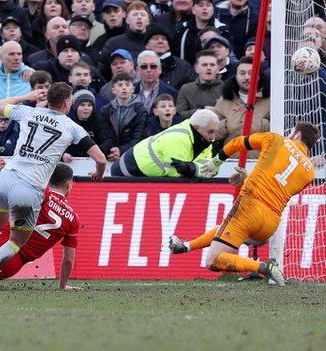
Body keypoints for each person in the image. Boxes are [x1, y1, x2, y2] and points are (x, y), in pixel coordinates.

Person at [0, 82, 107, 285]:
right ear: (67, 102)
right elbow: (101, 159)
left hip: (6, 177)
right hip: (29, 189)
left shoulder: (29, 112)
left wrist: (27, 96)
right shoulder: (73, 127)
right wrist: (98, 173)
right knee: (16, 242)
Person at [169, 122, 321, 286]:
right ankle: (185, 246)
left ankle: (264, 267)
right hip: (269, 226)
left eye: (291, 133)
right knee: (226, 229)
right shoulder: (309, 173)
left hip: (249, 208)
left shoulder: (276, 140)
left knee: (212, 260)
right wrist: (248, 179)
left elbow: (237, 142)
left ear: (297, 135)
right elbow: (277, 187)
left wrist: (216, 161)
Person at [111, 108, 219, 177]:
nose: (213, 137)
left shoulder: (205, 140)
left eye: (214, 132)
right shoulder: (179, 138)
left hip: (142, 172)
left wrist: (192, 168)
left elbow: (209, 169)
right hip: (127, 171)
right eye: (210, 132)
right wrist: (192, 169)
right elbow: (174, 174)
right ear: (196, 128)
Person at [212, 57, 270, 159]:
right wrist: (226, 125)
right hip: (229, 162)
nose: (247, 77)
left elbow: (278, 134)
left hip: (260, 163)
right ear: (236, 76)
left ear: (258, 76)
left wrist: (262, 124)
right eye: (242, 73)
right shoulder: (224, 101)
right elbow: (212, 134)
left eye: (251, 73)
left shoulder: (270, 101)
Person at [100, 71, 147, 162]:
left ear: (132, 88)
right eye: (120, 85)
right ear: (113, 90)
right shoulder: (106, 110)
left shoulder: (140, 109)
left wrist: (121, 151)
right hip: (110, 155)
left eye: (127, 84)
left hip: (133, 156)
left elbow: (138, 136)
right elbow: (106, 136)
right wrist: (112, 151)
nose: (124, 87)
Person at [64, 88, 113, 159]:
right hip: (73, 161)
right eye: (82, 105)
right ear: (75, 107)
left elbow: (109, 139)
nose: (86, 108)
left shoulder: (99, 121)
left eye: (89, 105)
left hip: (95, 160)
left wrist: (99, 151)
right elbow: (61, 141)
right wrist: (64, 154)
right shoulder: (68, 122)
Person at [175, 49, 222, 119]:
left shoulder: (226, 88)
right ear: (197, 68)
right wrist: (201, 111)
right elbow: (178, 115)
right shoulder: (186, 89)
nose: (209, 68)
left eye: (212, 65)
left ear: (218, 69)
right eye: (204, 65)